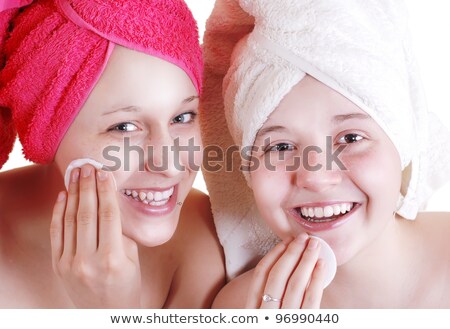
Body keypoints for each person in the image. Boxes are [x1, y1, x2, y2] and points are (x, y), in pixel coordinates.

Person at [200, 0, 450, 308]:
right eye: (280, 147)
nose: (315, 178)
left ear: (403, 143)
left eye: (351, 138)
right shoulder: (243, 307)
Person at [0, 0, 224, 308]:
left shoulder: (208, 240)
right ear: (47, 128)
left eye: (182, 117)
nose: (171, 165)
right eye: (124, 127)